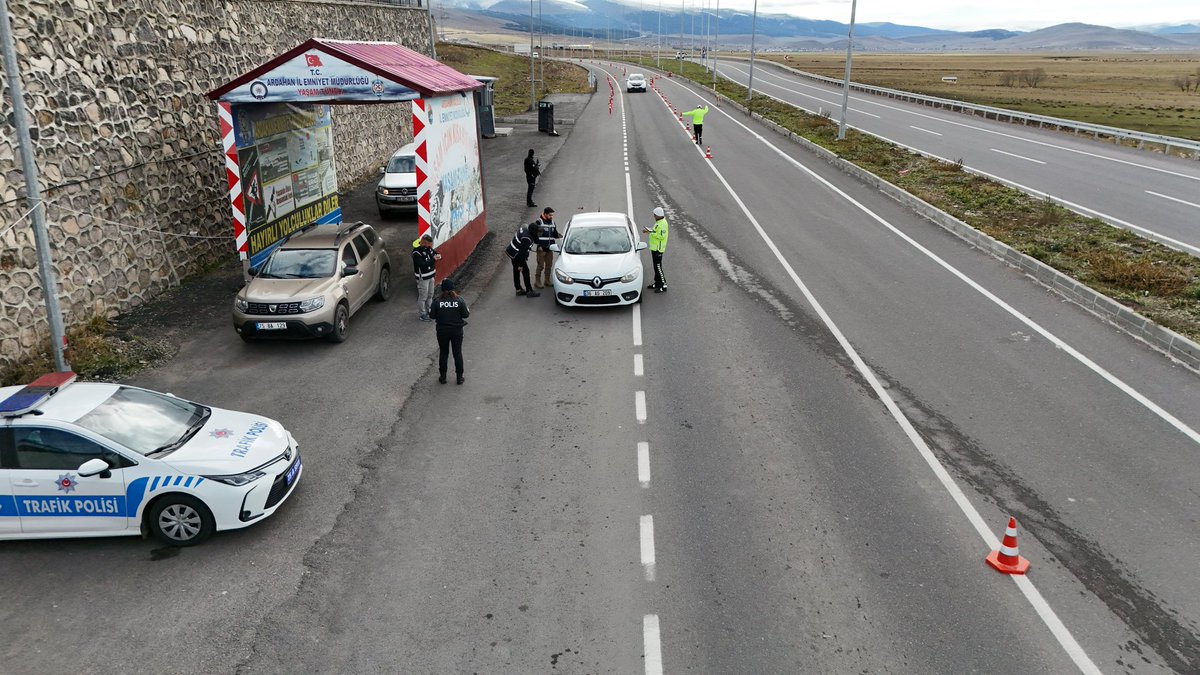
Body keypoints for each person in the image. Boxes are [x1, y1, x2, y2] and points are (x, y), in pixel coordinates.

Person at [429, 278, 469, 384]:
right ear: (453, 288)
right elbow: (466, 314)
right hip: (457, 331)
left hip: (442, 331)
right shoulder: (459, 300)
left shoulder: (437, 301)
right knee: (457, 353)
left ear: (442, 289)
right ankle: (459, 378)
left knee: (444, 353)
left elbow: (432, 316)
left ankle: (443, 377)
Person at [411, 233, 441, 321]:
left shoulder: (428, 248)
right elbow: (422, 265)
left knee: (430, 294)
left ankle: (430, 310)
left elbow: (435, 253)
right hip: (422, 278)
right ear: (424, 243)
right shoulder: (416, 252)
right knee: (423, 296)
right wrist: (434, 259)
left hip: (431, 276)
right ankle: (422, 314)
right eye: (430, 244)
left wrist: (439, 255)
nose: (431, 246)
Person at [505, 224, 540, 297]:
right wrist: (520, 265)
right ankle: (529, 291)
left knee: (516, 271)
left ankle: (518, 289)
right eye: (537, 232)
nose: (538, 234)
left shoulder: (526, 228)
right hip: (516, 254)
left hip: (511, 251)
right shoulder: (526, 239)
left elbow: (534, 238)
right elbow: (522, 253)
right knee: (526, 272)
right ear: (533, 232)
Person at [532, 207, 560, 289]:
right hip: (541, 249)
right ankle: (537, 282)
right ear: (545, 214)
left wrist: (559, 235)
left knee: (549, 265)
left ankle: (547, 281)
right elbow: (535, 235)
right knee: (540, 266)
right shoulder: (538, 222)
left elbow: (554, 234)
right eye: (550, 215)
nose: (551, 216)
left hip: (550, 248)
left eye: (552, 215)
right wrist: (539, 245)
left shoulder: (553, 223)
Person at [643, 206, 669, 293]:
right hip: (654, 248)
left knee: (658, 267)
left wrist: (651, 232)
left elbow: (661, 236)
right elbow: (656, 232)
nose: (654, 216)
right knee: (655, 266)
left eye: (655, 215)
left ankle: (663, 284)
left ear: (658, 215)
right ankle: (657, 283)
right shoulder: (659, 222)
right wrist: (649, 231)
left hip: (658, 249)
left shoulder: (663, 224)